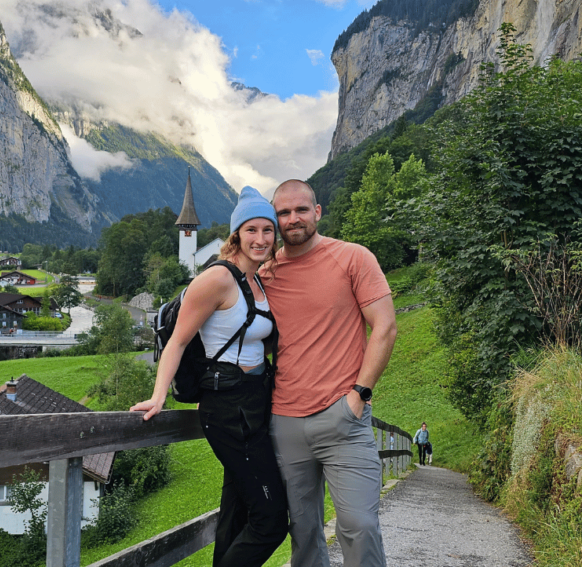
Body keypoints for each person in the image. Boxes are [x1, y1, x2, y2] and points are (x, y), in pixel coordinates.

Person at [131, 186, 288, 567]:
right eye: (252, 230)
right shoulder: (216, 280)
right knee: (270, 521)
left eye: (268, 231)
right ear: (236, 234)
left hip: (255, 403)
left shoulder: (257, 280)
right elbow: (178, 341)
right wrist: (158, 395)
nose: (261, 239)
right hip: (228, 409)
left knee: (236, 514)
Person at [262, 179, 397, 567]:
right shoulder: (266, 274)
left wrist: (359, 396)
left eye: (301, 209)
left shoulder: (353, 257)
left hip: (343, 417)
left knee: (359, 525)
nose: (293, 219)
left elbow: (384, 327)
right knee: (303, 534)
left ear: (317, 212)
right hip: (285, 421)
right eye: (283, 212)